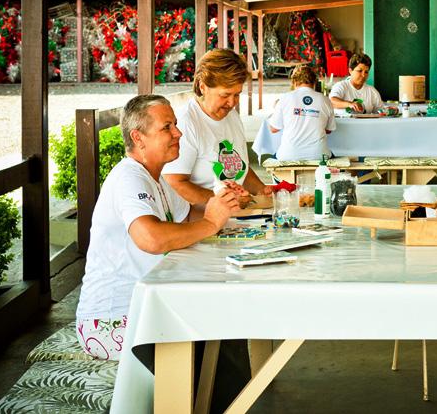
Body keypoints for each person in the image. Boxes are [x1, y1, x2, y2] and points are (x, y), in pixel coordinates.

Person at [76, 95, 243, 360]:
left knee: (226, 315)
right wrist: (211, 222)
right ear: (138, 137)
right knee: (214, 328)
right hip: (111, 322)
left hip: (145, 306)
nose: (178, 133)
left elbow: (188, 216)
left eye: (176, 124)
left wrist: (220, 201)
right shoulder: (128, 178)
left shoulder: (155, 178)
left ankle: (221, 399)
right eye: (167, 127)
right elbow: (151, 239)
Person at [163, 49, 272, 204]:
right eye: (225, 95)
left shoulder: (232, 116)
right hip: (199, 219)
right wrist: (225, 201)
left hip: (232, 216)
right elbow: (174, 183)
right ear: (203, 87)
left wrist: (262, 190)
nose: (232, 103)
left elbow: (240, 170)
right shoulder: (186, 122)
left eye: (237, 95)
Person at [269, 64, 336, 160]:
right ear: (314, 83)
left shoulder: (284, 98)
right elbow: (329, 130)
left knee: (274, 159)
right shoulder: (325, 100)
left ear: (294, 82)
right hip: (319, 156)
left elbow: (273, 128)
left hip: (288, 155)